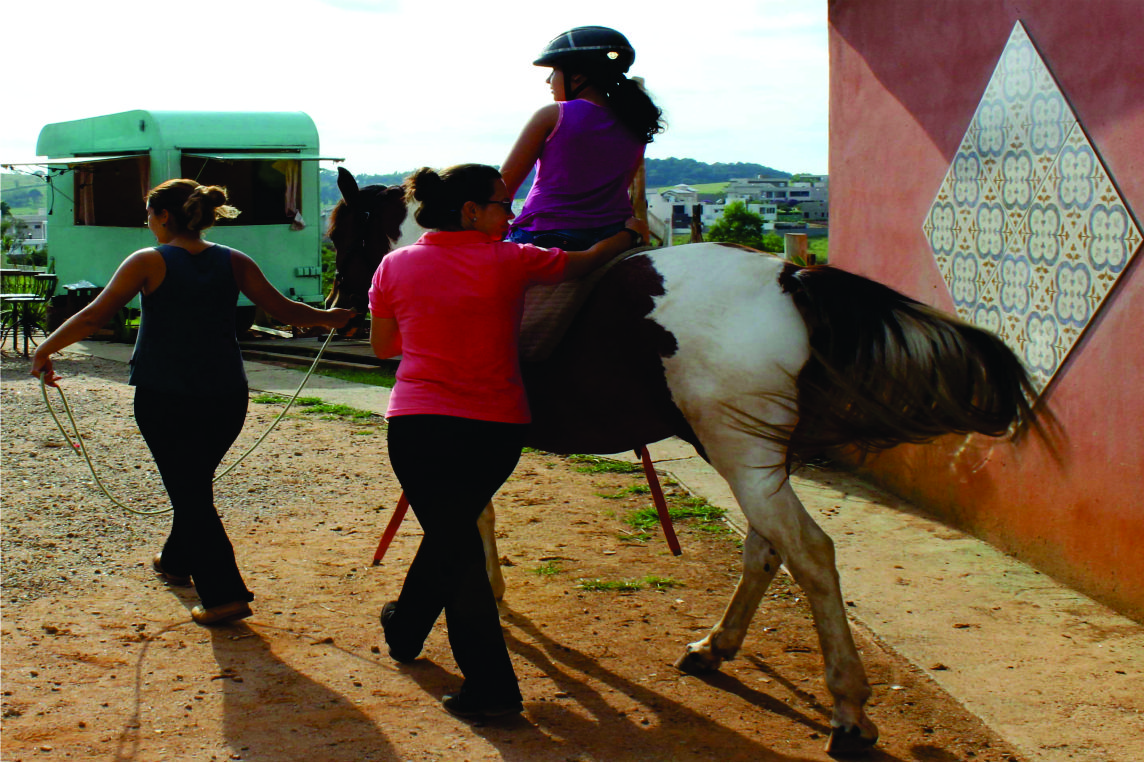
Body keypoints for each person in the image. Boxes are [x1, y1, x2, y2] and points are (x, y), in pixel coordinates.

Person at [369, 164, 641, 720]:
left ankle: (490, 688)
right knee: (454, 536)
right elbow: (587, 262)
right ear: (471, 211)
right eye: (501, 203)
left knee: (454, 540)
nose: (511, 214)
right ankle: (407, 629)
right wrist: (628, 234)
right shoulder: (513, 261)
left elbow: (382, 348)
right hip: (496, 429)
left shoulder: (394, 265)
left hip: (419, 425)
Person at [31, 179, 353, 626]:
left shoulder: (147, 261)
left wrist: (44, 348)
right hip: (227, 397)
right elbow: (285, 311)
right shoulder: (234, 261)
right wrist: (332, 317)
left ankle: (223, 594)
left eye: (149, 215)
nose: (148, 224)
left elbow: (92, 316)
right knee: (193, 484)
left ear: (164, 216)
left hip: (166, 396)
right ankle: (176, 560)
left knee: (190, 491)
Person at [501, 25, 664, 251]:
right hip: (614, 235)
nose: (549, 80)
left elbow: (502, 187)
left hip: (546, 233)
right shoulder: (636, 122)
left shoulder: (552, 115)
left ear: (576, 76)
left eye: (554, 71)